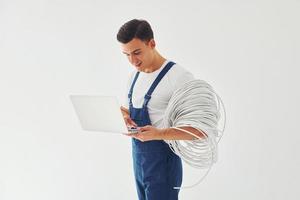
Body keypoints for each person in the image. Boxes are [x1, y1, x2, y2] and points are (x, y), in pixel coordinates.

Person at [117, 19, 205, 200]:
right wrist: (123, 117)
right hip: (139, 162)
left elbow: (200, 131)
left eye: (137, 52)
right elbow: (127, 110)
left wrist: (157, 134)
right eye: (126, 55)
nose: (132, 61)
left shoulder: (179, 77)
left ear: (152, 43)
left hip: (163, 165)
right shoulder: (134, 77)